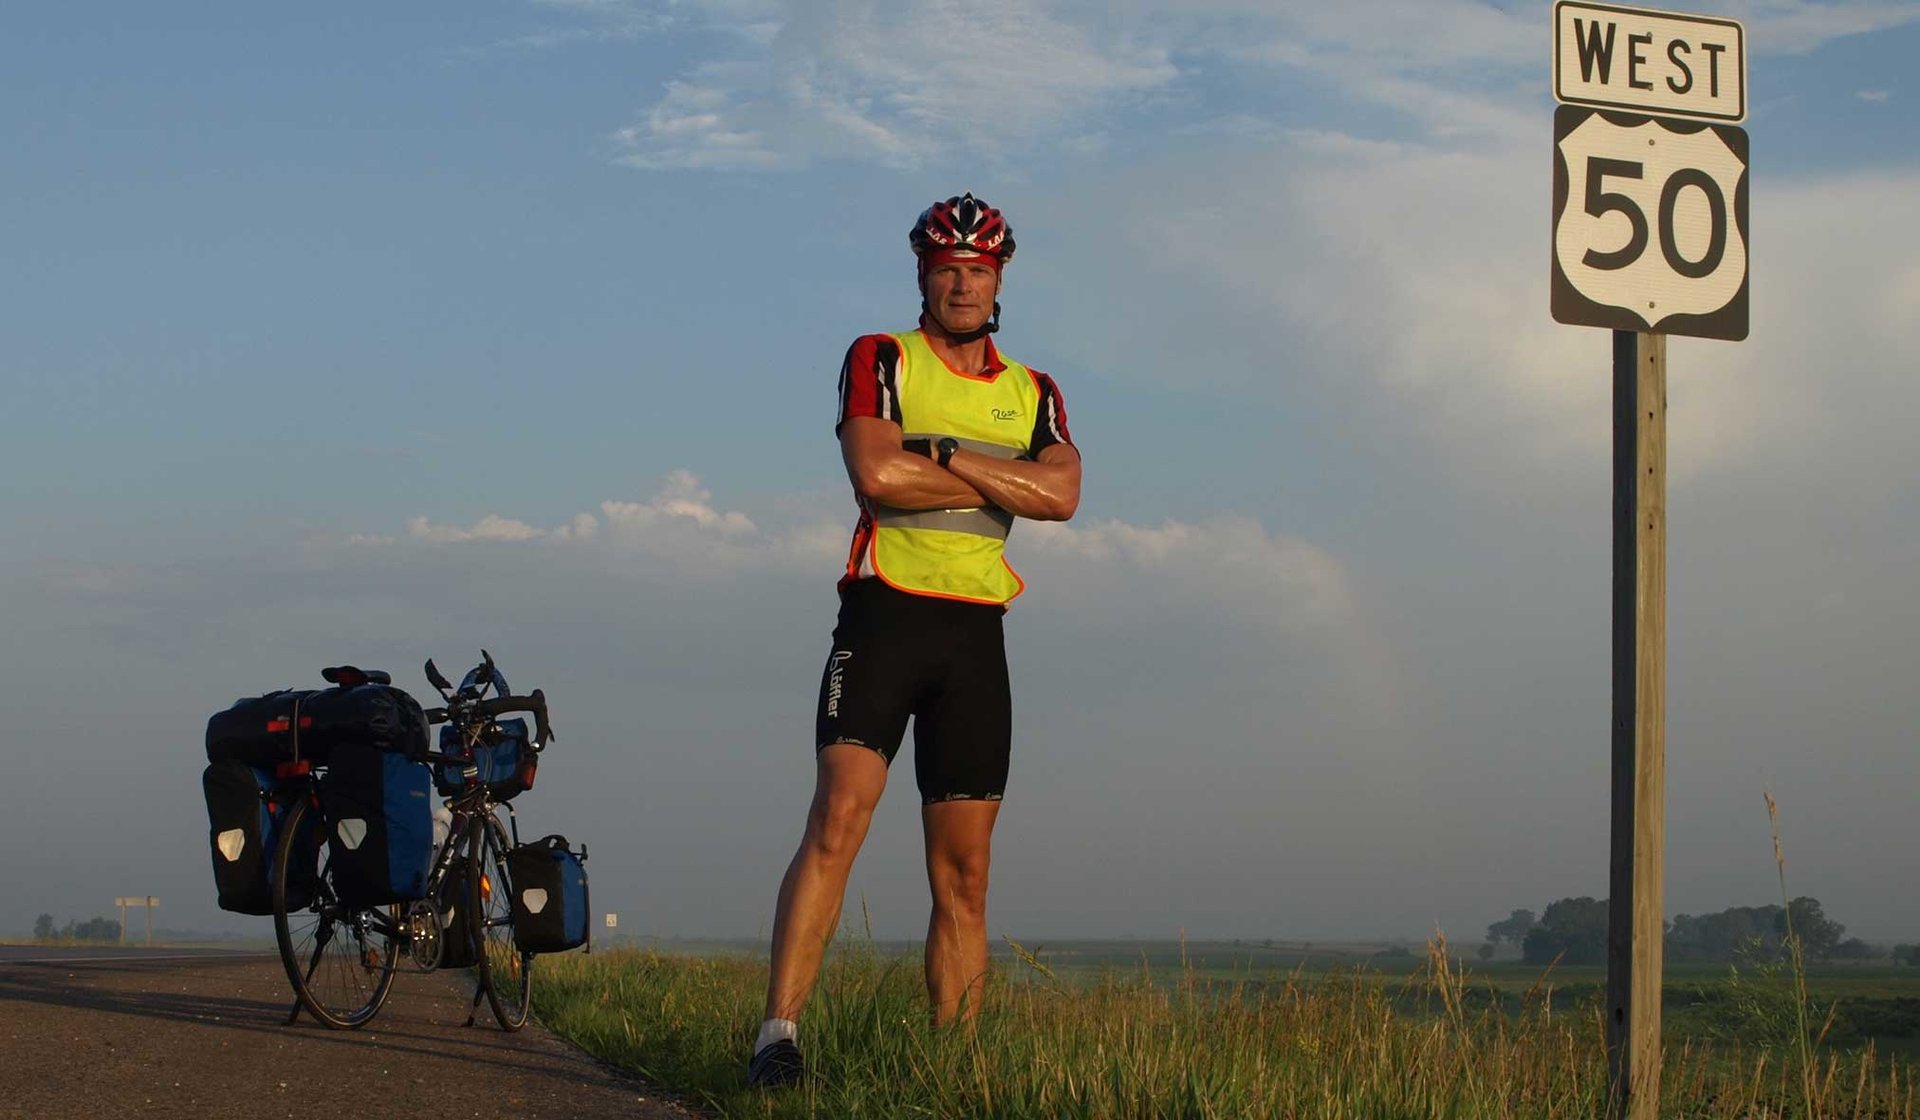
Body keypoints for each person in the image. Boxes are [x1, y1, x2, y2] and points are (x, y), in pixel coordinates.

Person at [747, 193, 1082, 1088]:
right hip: (886, 615)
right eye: (946, 269)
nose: (962, 283)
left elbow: (1063, 497)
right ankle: (777, 1037)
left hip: (977, 636)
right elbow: (876, 472)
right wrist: (998, 481)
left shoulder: (1033, 390)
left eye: (978, 269)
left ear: (999, 279)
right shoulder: (881, 357)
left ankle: (954, 1069)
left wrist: (945, 454)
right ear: (923, 277)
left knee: (965, 873)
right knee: (839, 818)